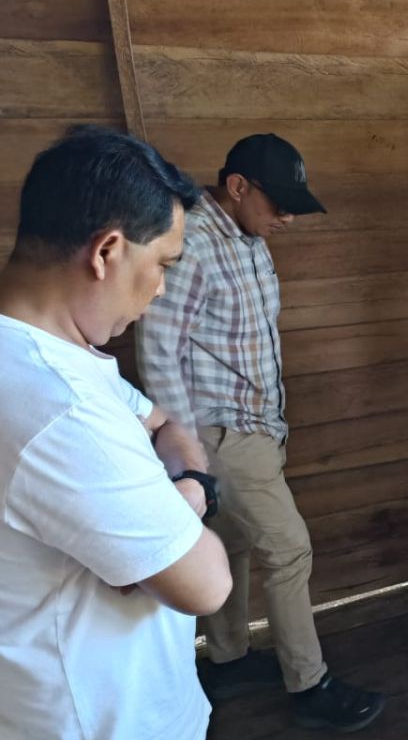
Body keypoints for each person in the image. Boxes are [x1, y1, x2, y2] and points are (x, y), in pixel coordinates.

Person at [136, 133, 384, 732]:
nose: (289, 216)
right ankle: (309, 684)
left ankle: (227, 660)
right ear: (238, 186)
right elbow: (159, 348)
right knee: (288, 548)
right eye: (279, 202)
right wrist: (189, 454)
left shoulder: (248, 239)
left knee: (235, 545)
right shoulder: (192, 241)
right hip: (219, 434)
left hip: (255, 427)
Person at [0, 126, 233, 739]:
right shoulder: (61, 407)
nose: (159, 291)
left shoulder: (51, 357)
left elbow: (164, 423)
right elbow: (206, 584)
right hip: (104, 720)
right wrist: (195, 496)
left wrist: (179, 492)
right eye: (161, 265)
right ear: (106, 251)